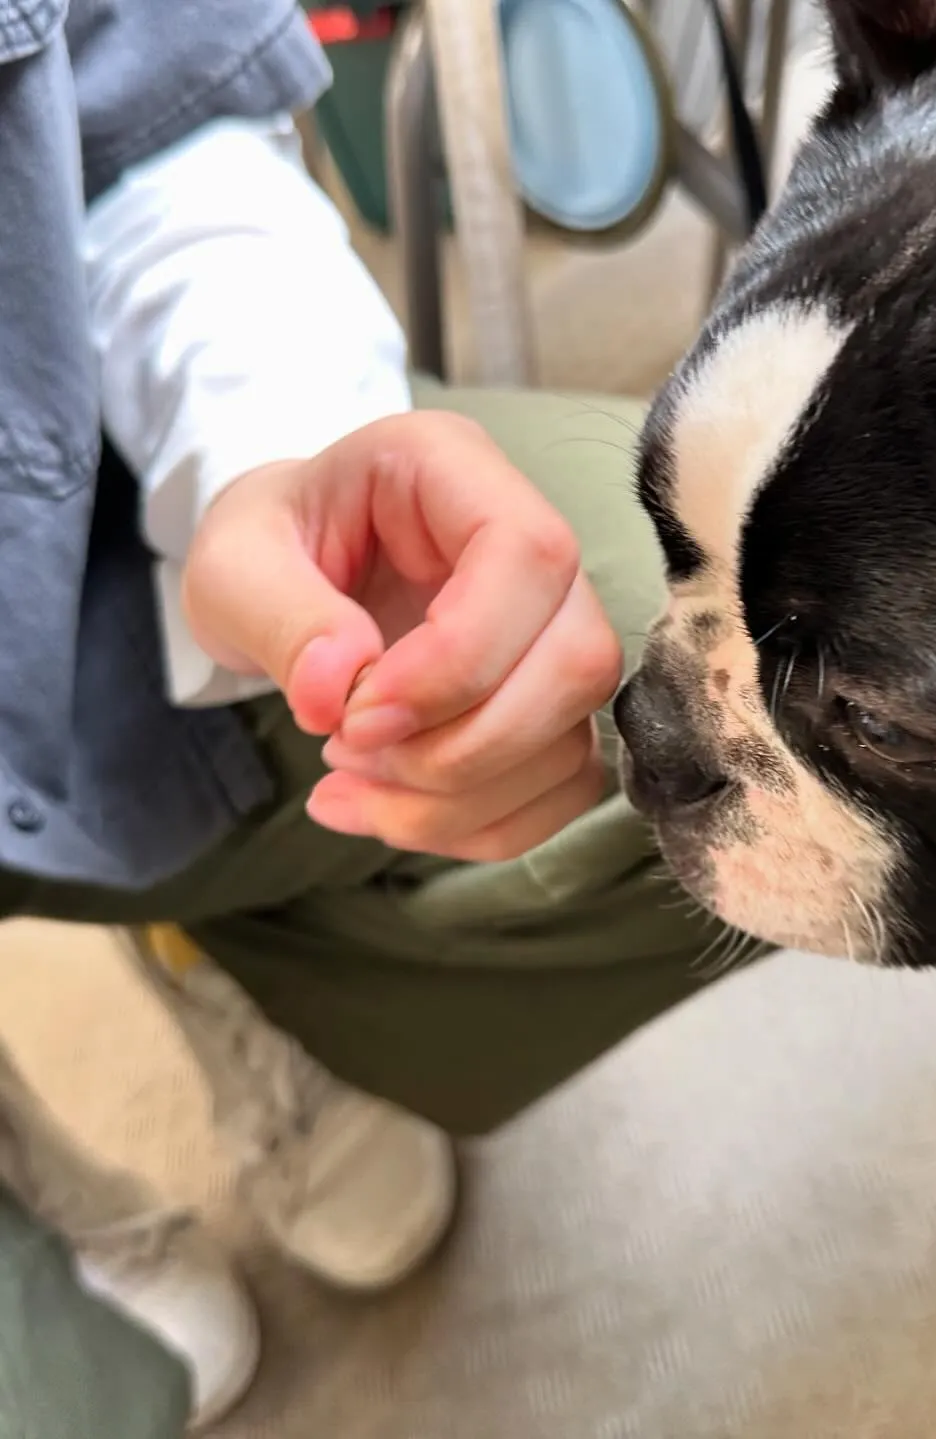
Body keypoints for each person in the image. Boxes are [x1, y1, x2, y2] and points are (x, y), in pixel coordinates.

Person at [0, 2, 748, 1434]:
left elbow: (132, 101)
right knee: (113, 1396)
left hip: (82, 568)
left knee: (686, 709)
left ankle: (219, 931)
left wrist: (281, 449)